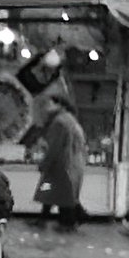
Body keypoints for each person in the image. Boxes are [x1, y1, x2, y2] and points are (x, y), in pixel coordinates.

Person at [33, 94, 87, 232]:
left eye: (49, 104)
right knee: (53, 193)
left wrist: (45, 163)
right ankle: (44, 218)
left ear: (59, 105)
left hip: (62, 165)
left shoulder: (59, 122)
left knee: (60, 195)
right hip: (72, 164)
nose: (46, 108)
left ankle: (70, 222)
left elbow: (54, 147)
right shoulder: (70, 120)